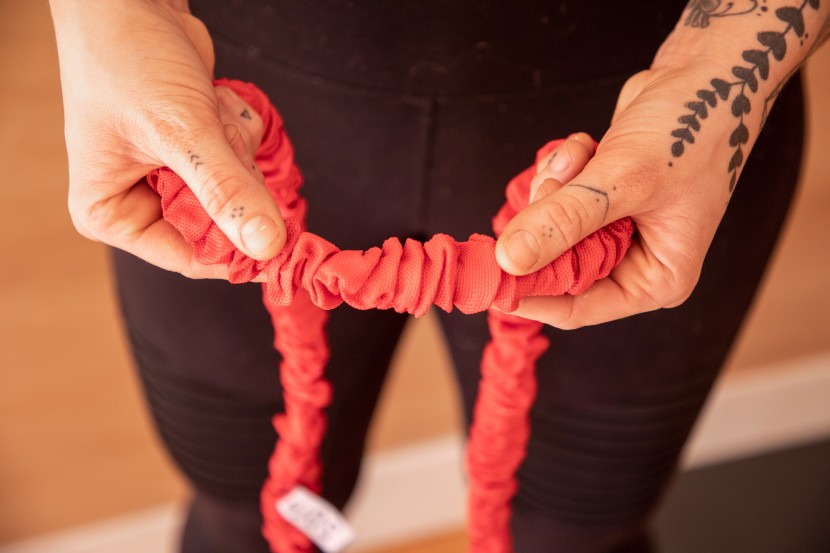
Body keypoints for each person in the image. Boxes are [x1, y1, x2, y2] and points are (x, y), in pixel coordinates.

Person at [49, 1, 829, 552]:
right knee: (241, 508)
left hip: (652, 135)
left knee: (577, 531)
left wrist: (720, 71)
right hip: (210, 112)